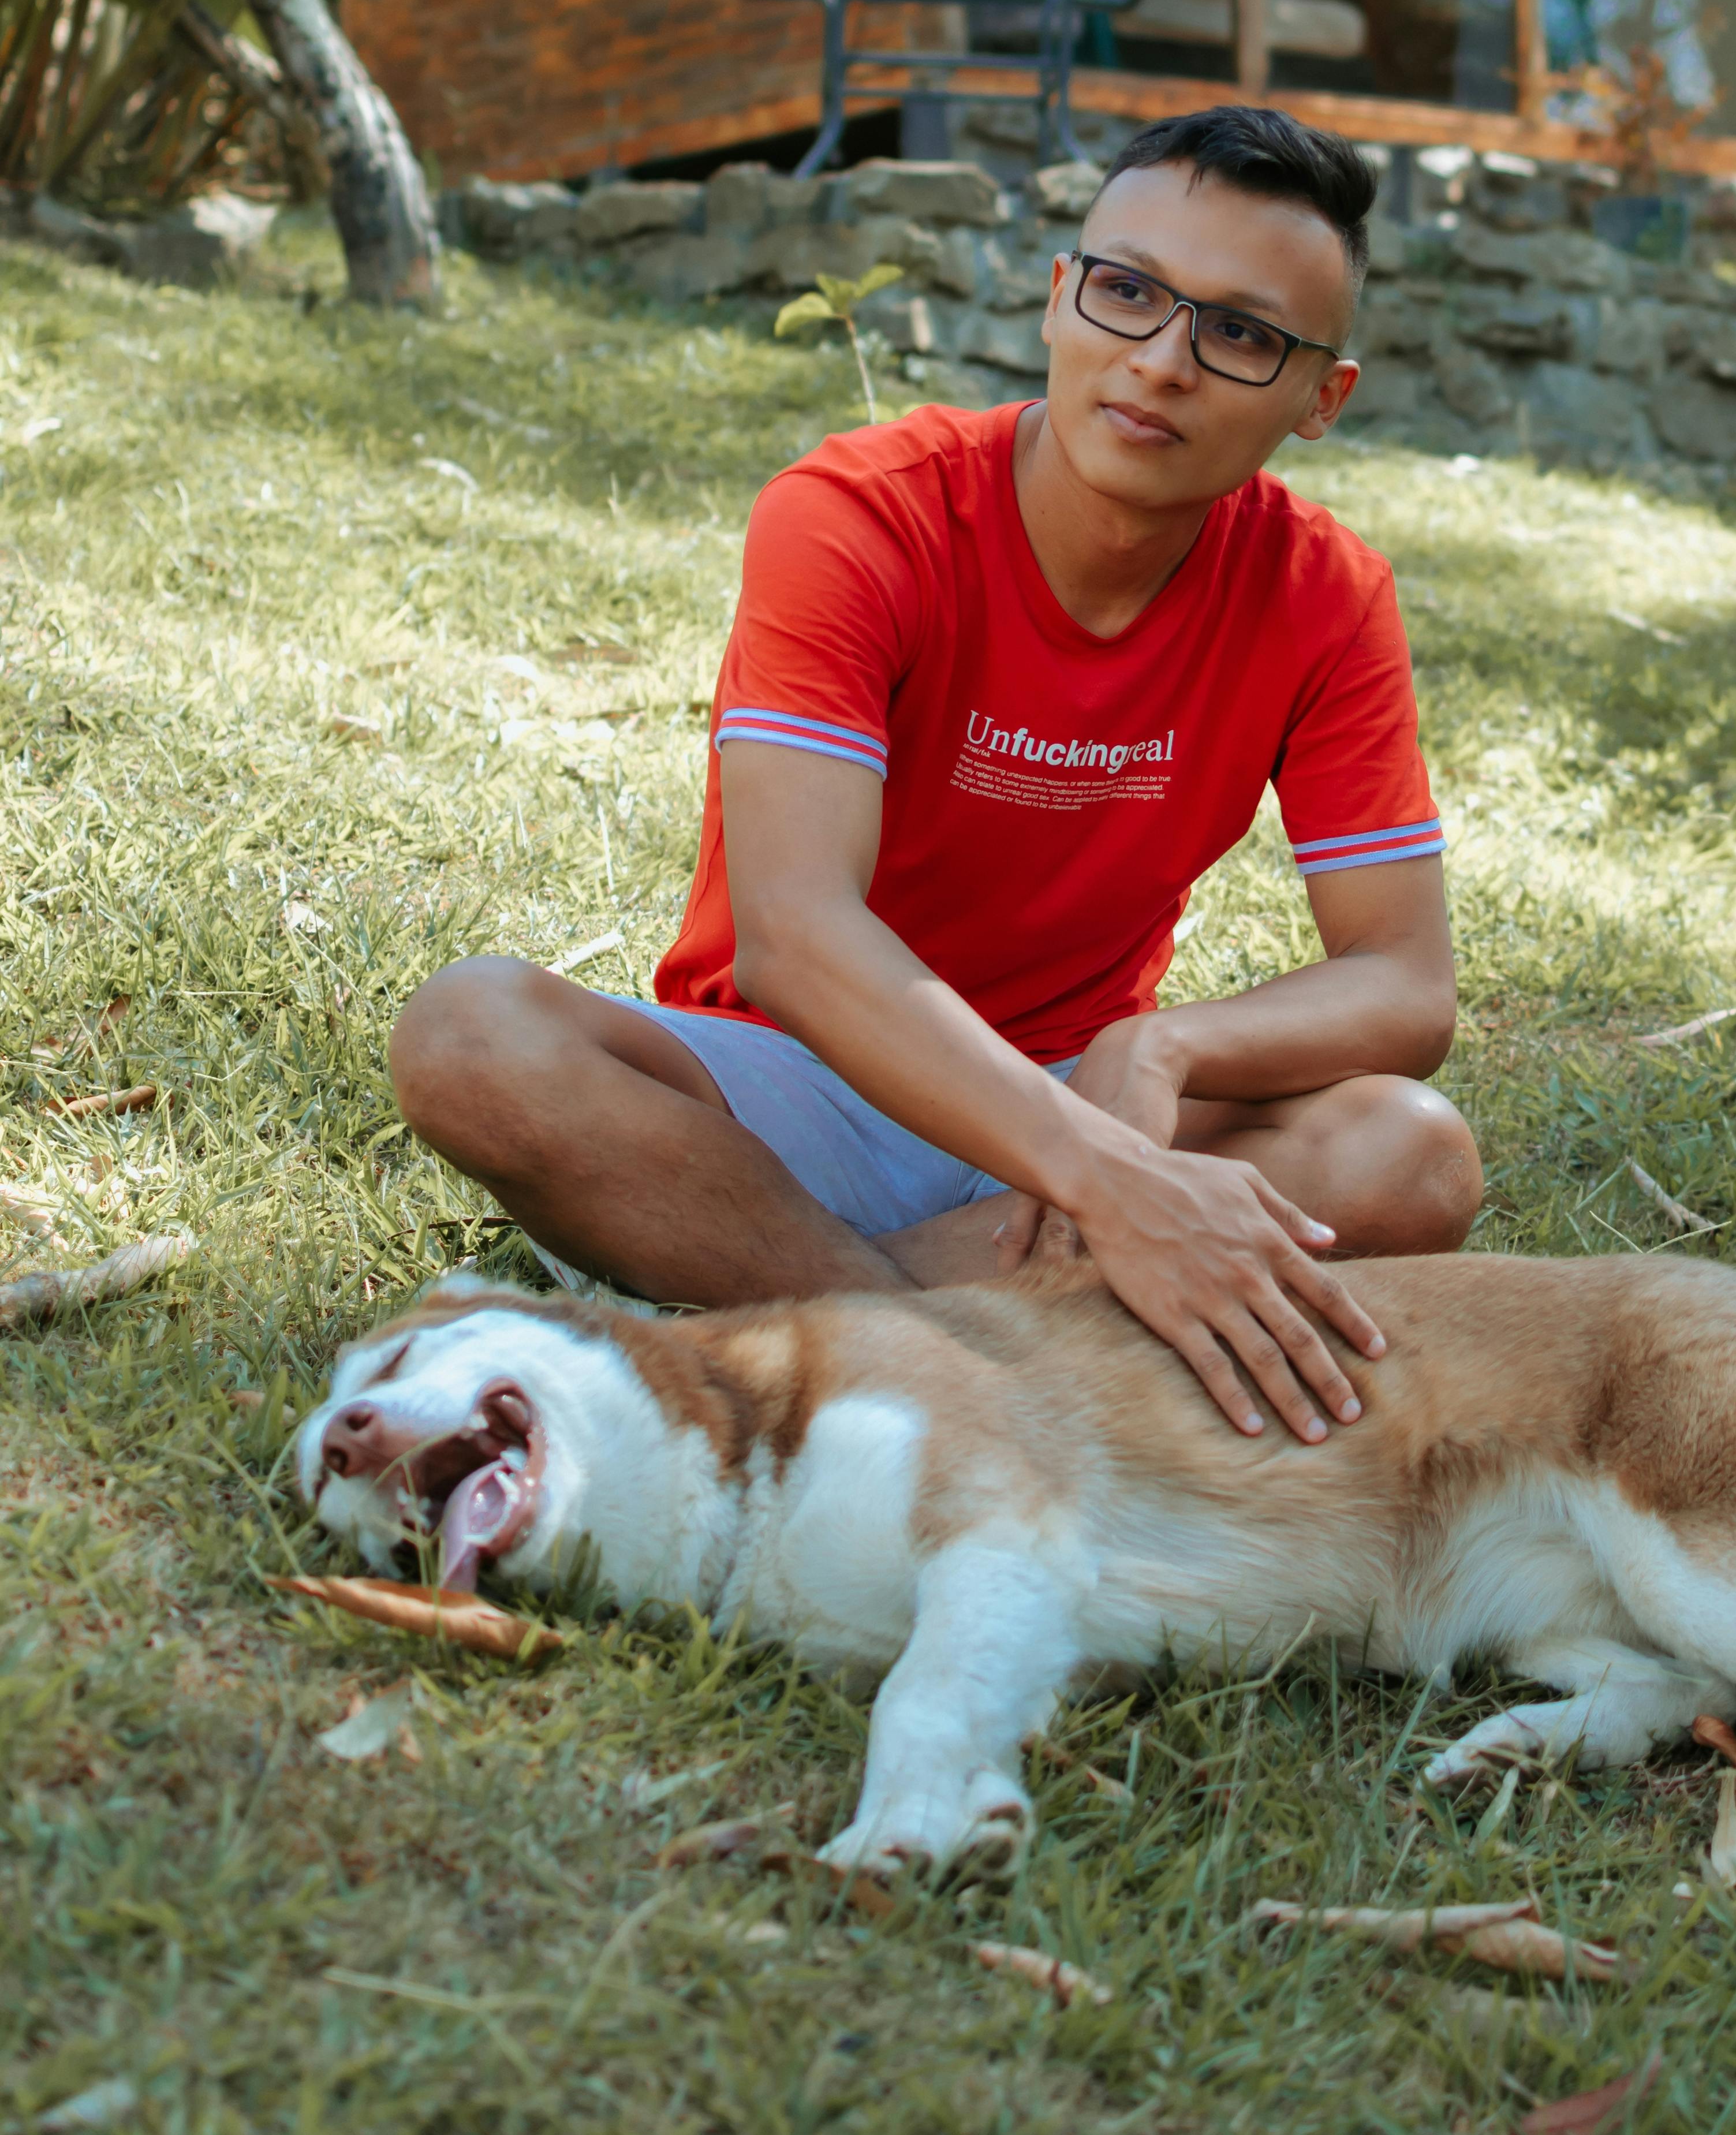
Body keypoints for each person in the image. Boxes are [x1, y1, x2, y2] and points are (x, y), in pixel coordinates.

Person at [391, 104, 1480, 1445]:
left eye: (1238, 333)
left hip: (1071, 1084)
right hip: (785, 1093)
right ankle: (964, 1361)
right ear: (1055, 298)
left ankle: (756, 1315)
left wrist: (1161, 1046)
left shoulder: (1324, 593)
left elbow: (1402, 982)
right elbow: (794, 935)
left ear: (1322, 397)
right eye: (1126, 292)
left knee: (1408, 1152)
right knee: (472, 1035)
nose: (1158, 362)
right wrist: (1100, 1179)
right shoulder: (860, 513)